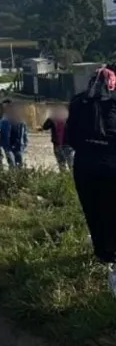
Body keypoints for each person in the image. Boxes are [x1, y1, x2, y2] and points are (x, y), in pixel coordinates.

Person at [67, 64, 116, 295]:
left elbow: (71, 139)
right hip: (111, 164)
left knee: (93, 211)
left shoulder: (78, 103)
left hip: (85, 165)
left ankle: (103, 254)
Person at [42, 106, 74, 171]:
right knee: (65, 165)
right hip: (61, 145)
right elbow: (45, 127)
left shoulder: (70, 119)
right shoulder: (55, 119)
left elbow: (45, 127)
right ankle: (66, 179)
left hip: (64, 145)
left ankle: (68, 179)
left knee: (67, 165)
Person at [4, 104, 29, 168]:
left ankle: (19, 177)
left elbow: (25, 134)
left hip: (19, 146)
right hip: (9, 146)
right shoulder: (6, 121)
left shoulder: (22, 123)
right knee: (12, 164)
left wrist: (25, 144)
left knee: (19, 164)